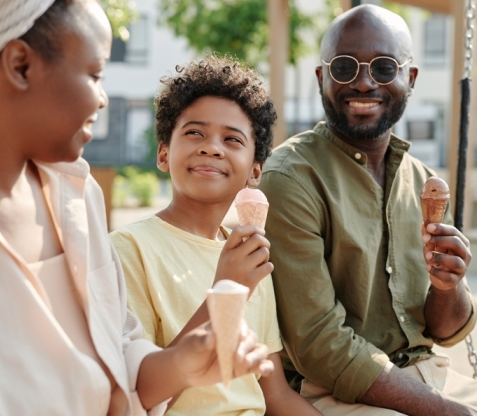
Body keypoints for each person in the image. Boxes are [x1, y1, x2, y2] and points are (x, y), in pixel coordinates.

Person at [0, 0, 273, 415]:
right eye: (95, 73)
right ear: (21, 65)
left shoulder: (75, 195)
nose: (102, 98)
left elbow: (119, 365)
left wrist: (181, 365)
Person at [258, 4, 477, 416]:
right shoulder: (291, 179)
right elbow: (320, 346)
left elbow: (444, 332)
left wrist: (449, 286)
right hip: (333, 392)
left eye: (382, 67)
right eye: (343, 67)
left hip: (429, 375)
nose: (362, 82)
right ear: (322, 78)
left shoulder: (424, 181)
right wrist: (447, 412)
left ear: (408, 79)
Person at [110, 55, 322, 416]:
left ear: (255, 170)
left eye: (232, 139)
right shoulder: (128, 250)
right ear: (163, 153)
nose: (211, 147)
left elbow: (274, 394)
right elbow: (139, 396)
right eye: (194, 132)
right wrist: (226, 291)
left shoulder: (250, 254)